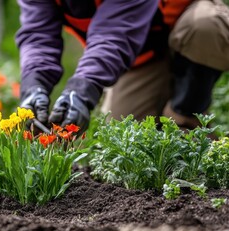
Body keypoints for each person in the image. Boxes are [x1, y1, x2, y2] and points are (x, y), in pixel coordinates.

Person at [16, 0, 229, 135]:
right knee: (121, 140)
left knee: (206, 25)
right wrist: (34, 86)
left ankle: (186, 122)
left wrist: (82, 90)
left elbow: (113, 34)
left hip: (186, 26)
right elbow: (37, 34)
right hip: (141, 55)